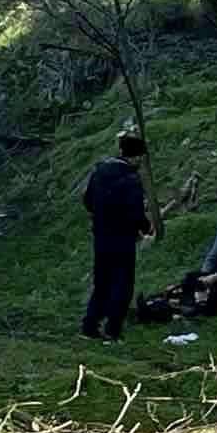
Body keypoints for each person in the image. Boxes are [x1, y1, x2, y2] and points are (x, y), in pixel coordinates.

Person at [81, 132, 153, 343]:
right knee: (122, 284)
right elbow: (136, 212)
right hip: (122, 238)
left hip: (101, 234)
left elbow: (87, 200)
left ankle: (90, 325)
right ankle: (113, 329)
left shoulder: (100, 170)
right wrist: (146, 227)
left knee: (102, 281)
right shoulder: (131, 178)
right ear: (138, 157)